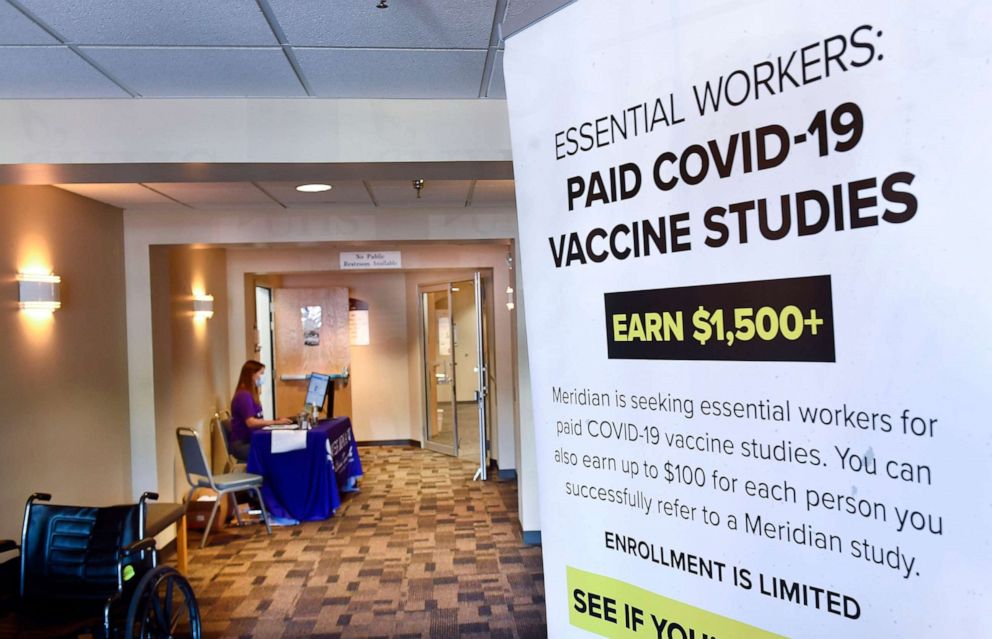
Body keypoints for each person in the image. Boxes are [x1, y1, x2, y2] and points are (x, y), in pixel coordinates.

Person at [229, 360, 293, 462]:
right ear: (252, 375)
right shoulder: (243, 395)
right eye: (261, 373)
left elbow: (257, 419)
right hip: (242, 445)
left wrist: (276, 422)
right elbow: (250, 422)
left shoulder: (251, 394)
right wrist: (275, 422)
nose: (263, 377)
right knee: (276, 452)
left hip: (252, 440)